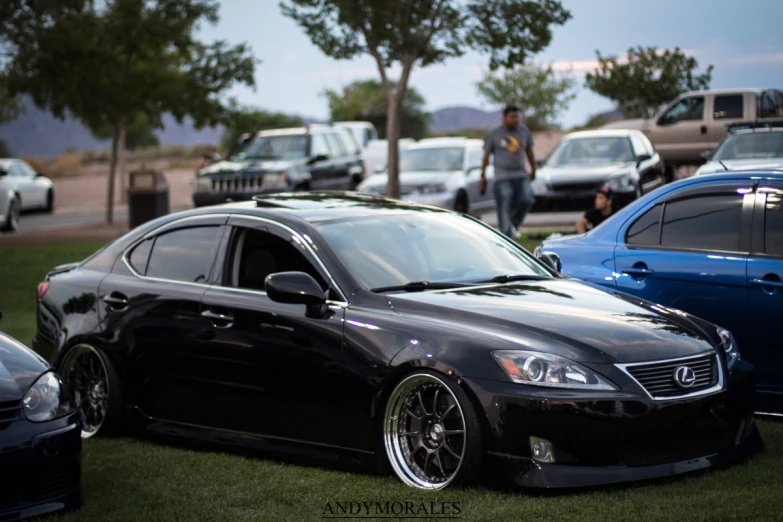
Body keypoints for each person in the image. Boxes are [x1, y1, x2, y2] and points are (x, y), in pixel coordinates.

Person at [479, 105, 537, 239]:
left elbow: (529, 152)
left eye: (517, 117)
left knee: (527, 198)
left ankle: (513, 224)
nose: (515, 120)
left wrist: (533, 169)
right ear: (504, 117)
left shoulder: (523, 131)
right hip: (502, 176)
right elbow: (486, 156)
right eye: (512, 117)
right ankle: (506, 236)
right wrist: (482, 175)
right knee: (504, 202)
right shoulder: (494, 134)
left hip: (521, 174)